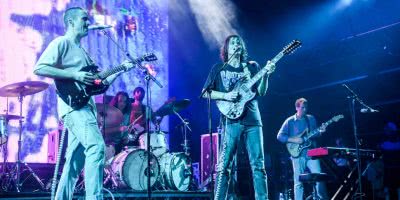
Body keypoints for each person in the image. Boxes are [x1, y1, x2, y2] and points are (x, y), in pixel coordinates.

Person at [33, 7, 132, 199]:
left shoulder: (82, 51)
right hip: (74, 108)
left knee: (74, 162)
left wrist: (120, 71)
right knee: (96, 147)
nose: (88, 23)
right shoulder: (62, 42)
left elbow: (98, 85)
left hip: (85, 107)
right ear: (71, 22)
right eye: (84, 19)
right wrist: (74, 74)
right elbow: (40, 67)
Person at [202, 34, 274, 200]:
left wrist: (266, 75)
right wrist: (226, 96)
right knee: (225, 165)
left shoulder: (251, 67)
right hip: (231, 120)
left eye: (238, 42)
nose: (236, 44)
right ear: (227, 49)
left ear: (242, 47)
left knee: (258, 165)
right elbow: (205, 93)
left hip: (253, 120)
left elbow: (261, 92)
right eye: (232, 43)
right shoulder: (219, 69)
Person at [277, 98, 328, 200]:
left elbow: (315, 134)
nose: (305, 110)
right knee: (298, 182)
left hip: (312, 153)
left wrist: (321, 131)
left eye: (306, 107)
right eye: (302, 107)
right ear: (297, 108)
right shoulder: (290, 121)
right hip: (297, 155)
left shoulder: (311, 119)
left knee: (319, 178)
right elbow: (279, 137)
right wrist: (295, 140)